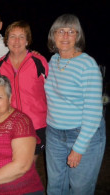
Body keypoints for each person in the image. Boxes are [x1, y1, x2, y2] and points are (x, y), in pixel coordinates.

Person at [45, 14, 106, 195]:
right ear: (53, 36)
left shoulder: (87, 65)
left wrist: (78, 148)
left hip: (82, 134)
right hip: (54, 134)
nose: (65, 36)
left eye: (71, 31)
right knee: (55, 187)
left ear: (78, 36)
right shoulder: (53, 61)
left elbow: (94, 112)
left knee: (80, 189)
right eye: (60, 31)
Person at [0, 20, 49, 161]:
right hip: (9, 124)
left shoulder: (39, 62)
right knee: (10, 165)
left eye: (21, 36)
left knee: (28, 168)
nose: (16, 41)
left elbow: (51, 92)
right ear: (7, 40)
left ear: (27, 40)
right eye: (12, 36)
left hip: (35, 125)